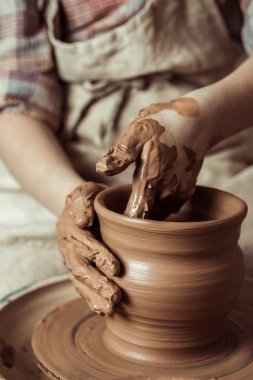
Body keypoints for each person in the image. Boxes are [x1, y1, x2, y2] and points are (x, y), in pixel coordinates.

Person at [0, 1, 253, 314]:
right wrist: (71, 202)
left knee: (237, 260)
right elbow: (16, 103)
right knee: (12, 278)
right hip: (65, 152)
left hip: (215, 129)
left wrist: (202, 117)